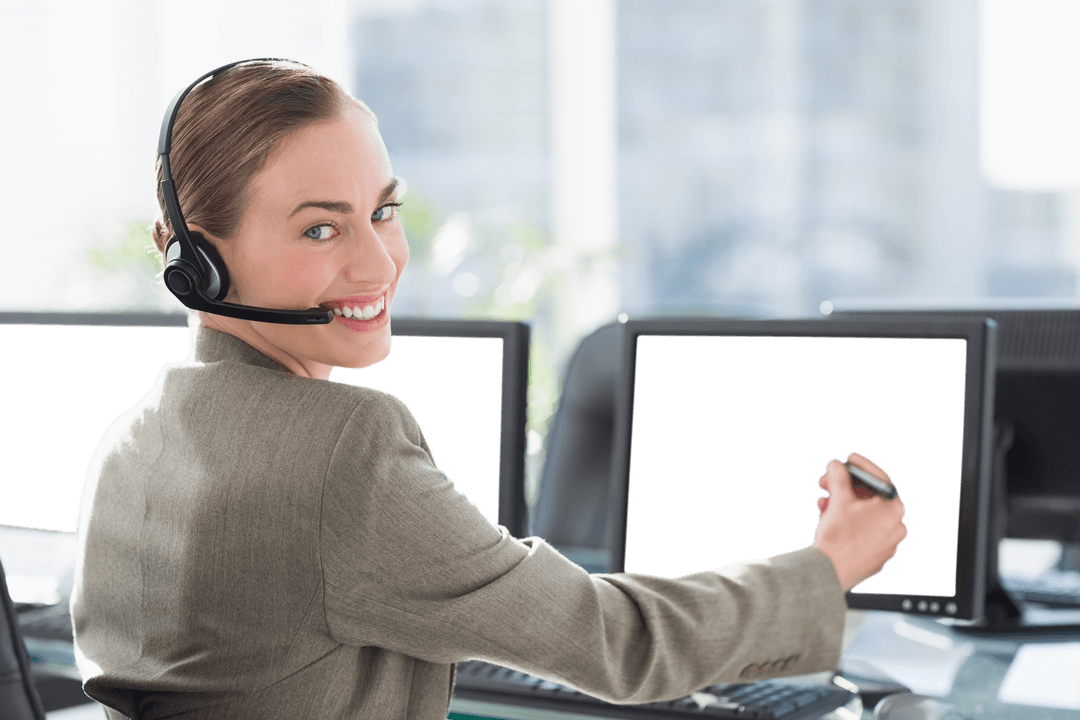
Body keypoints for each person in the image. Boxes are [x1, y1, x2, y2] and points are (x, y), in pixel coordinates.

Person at [70, 59, 907, 720]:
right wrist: (827, 567)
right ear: (197, 260)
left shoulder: (129, 442)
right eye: (320, 228)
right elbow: (618, 643)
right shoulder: (341, 447)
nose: (378, 262)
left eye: (383, 211)